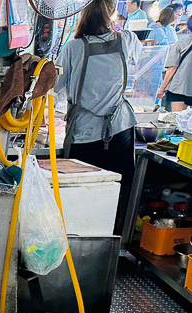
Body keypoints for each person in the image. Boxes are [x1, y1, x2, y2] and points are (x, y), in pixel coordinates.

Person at [57, 0, 141, 234]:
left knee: (82, 193)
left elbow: (54, 85)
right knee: (116, 190)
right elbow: (138, 61)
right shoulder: (127, 40)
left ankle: (79, 242)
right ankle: (114, 241)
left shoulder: (73, 47)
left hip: (85, 132)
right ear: (111, 13)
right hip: (120, 129)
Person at [157, 18, 192, 109]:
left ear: (188, 27)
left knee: (178, 119)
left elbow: (172, 68)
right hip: (183, 87)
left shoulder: (181, 44)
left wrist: (161, 89)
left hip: (180, 87)